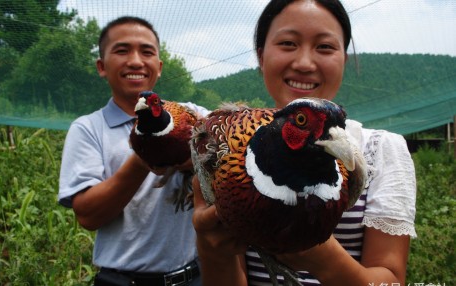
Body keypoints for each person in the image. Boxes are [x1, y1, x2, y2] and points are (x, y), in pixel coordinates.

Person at [192, 0, 417, 285]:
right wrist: (213, 248)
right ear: (261, 56)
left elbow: (391, 281)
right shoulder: (227, 147)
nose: (304, 63)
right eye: (288, 43)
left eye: (324, 47)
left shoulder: (381, 151)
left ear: (343, 59)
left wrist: (314, 251)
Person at [58, 16, 207, 286]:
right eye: (122, 50)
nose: (136, 61)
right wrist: (143, 158)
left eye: (147, 52)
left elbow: (229, 149)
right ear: (102, 66)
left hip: (192, 278)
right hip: (121, 280)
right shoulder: (89, 129)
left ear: (159, 67)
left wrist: (193, 157)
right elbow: (87, 215)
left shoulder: (191, 114)